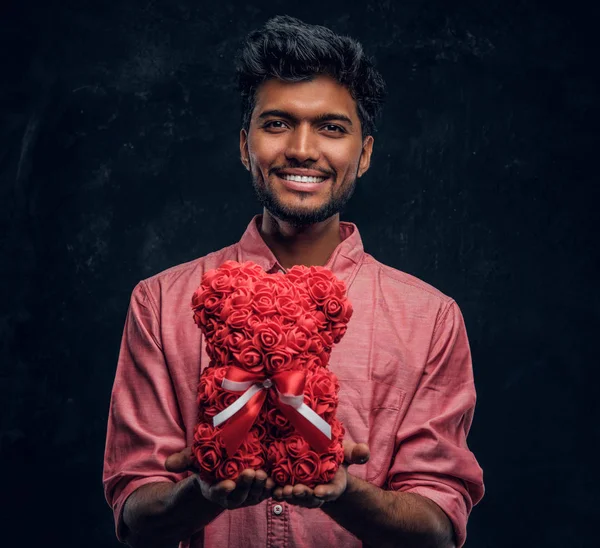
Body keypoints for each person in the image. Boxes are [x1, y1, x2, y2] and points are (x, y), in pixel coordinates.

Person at [103, 15, 485, 548]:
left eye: (331, 127)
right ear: (244, 144)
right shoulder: (161, 302)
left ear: (365, 154)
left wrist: (342, 490)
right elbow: (134, 514)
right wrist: (203, 491)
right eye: (277, 123)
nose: (302, 149)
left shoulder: (431, 319)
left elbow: (439, 527)